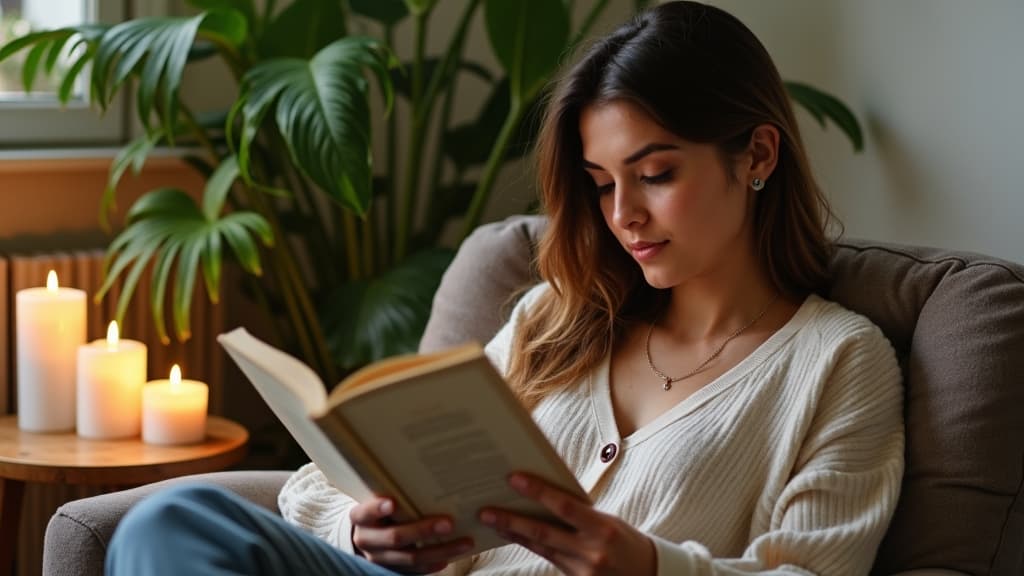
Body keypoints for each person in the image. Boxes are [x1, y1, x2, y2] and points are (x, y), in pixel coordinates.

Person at [106, 2, 904, 575]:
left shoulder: (838, 362)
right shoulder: (557, 315)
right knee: (173, 522)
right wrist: (363, 528)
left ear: (757, 154)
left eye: (656, 174)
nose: (623, 215)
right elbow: (324, 485)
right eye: (601, 183)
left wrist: (649, 566)